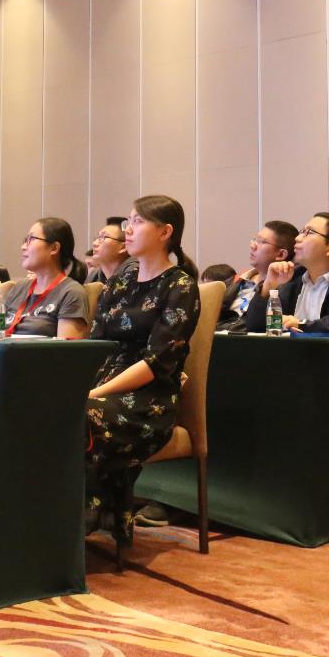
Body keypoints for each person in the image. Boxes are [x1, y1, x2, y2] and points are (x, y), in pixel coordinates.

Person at [85, 195, 201, 543]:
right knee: (45, 407)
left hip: (148, 399)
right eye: (128, 222)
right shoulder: (119, 283)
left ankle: (79, 518)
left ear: (165, 232)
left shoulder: (181, 286)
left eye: (138, 222)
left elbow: (155, 363)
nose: (128, 230)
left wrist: (94, 393)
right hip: (103, 384)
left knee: (80, 414)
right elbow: (96, 344)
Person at [244, 212, 329, 337]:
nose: (297, 238)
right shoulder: (293, 276)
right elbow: (254, 326)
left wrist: (302, 324)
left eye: (309, 232)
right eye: (302, 231)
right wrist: (267, 287)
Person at [3, 217, 89, 338]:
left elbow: (67, 348)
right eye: (26, 240)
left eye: (32, 239)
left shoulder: (71, 293)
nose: (23, 246)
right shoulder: (18, 289)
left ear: (54, 248)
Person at [228, 221, 299, 323]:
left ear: (281, 254)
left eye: (263, 242)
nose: (253, 246)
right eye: (255, 239)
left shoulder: (286, 290)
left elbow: (262, 324)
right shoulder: (240, 279)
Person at [87, 217, 131, 285]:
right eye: (98, 237)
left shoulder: (132, 275)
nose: (94, 243)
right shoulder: (93, 276)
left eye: (103, 237)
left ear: (123, 247)